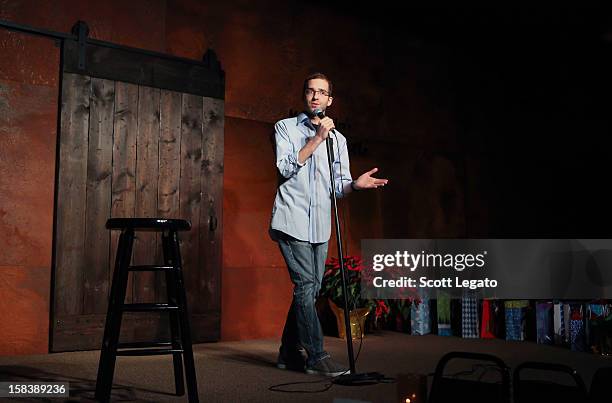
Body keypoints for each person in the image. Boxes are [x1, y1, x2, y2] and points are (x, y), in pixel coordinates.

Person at [270, 72, 389, 377]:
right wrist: (316, 139)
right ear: (304, 96)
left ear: (329, 100)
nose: (315, 97)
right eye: (310, 91)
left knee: (308, 291)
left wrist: (355, 186)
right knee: (306, 286)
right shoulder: (285, 128)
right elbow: (285, 168)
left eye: (321, 93)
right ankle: (316, 356)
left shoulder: (339, 140)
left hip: (320, 225)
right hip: (291, 220)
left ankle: (288, 352)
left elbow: (339, 186)